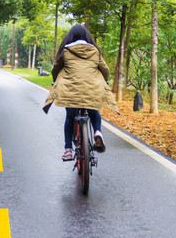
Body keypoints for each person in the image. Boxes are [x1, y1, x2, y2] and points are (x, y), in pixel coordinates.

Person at [43, 24, 119, 161]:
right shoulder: (95, 51)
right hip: (92, 89)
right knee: (94, 112)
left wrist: (55, 80)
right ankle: (98, 132)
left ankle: (67, 150)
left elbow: (56, 68)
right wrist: (105, 81)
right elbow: (105, 69)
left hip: (71, 90)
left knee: (70, 117)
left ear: (70, 37)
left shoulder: (66, 51)